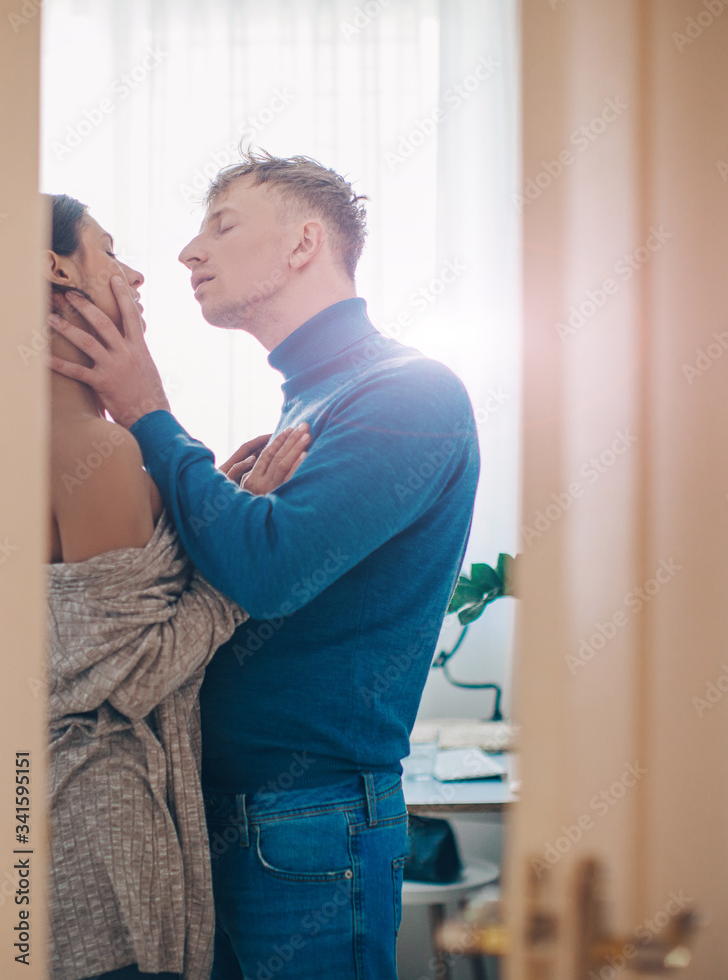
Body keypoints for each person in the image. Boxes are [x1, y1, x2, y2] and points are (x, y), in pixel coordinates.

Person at [48, 152, 480, 980]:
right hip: (224, 810)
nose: (186, 253)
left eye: (223, 224)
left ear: (303, 244)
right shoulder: (311, 398)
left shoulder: (407, 392)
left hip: (306, 820)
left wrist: (147, 412)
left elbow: (269, 574)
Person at [45, 194, 308, 980]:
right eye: (108, 252)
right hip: (103, 816)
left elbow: (101, 622)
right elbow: (133, 671)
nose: (134, 274)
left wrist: (213, 505)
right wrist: (248, 542)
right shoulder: (96, 449)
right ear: (53, 269)